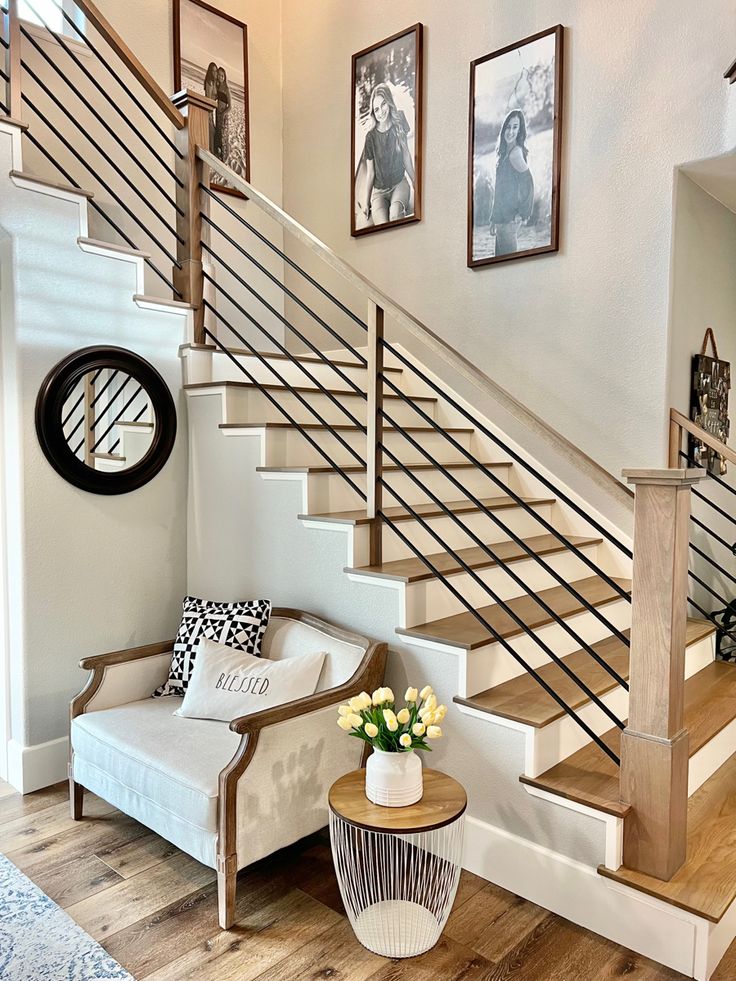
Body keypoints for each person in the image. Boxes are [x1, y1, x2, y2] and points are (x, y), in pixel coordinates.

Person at [358, 83, 415, 226]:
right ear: (373, 112)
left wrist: (416, 182)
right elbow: (371, 173)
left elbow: (406, 155)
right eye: (376, 109)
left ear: (389, 103)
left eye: (383, 105)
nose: (381, 112)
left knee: (395, 215)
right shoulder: (370, 137)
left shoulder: (399, 120)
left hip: (399, 184)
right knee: (383, 224)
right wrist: (365, 202)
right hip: (379, 193)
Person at [489, 109, 534, 256]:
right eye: (508, 127)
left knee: (508, 268)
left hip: (509, 220)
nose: (511, 131)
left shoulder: (515, 153)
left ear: (520, 130)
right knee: (498, 267)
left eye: (515, 127)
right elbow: (500, 191)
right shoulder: (504, 153)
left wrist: (523, 213)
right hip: (501, 218)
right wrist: (493, 218)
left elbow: (528, 183)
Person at [214, 67, 232, 162]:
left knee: (223, 134)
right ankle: (219, 152)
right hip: (217, 113)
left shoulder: (226, 89)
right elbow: (216, 97)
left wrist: (223, 114)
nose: (220, 77)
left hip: (223, 115)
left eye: (222, 75)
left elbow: (230, 106)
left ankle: (224, 156)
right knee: (218, 132)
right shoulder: (218, 87)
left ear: (225, 77)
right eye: (219, 75)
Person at [204, 62, 218, 152]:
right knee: (211, 131)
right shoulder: (210, 82)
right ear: (210, 71)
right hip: (208, 109)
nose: (214, 73)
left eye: (215, 71)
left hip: (211, 109)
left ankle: (212, 151)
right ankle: (211, 151)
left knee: (212, 132)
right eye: (213, 71)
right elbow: (208, 97)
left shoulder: (214, 82)